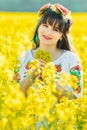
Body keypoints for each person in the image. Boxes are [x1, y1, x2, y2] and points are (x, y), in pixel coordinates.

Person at [15, 3, 83, 100]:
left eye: (55, 29)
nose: (48, 32)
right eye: (45, 25)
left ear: (62, 35)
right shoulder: (23, 57)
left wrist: (50, 80)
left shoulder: (70, 59)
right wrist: (32, 74)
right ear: (38, 27)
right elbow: (13, 96)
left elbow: (77, 99)